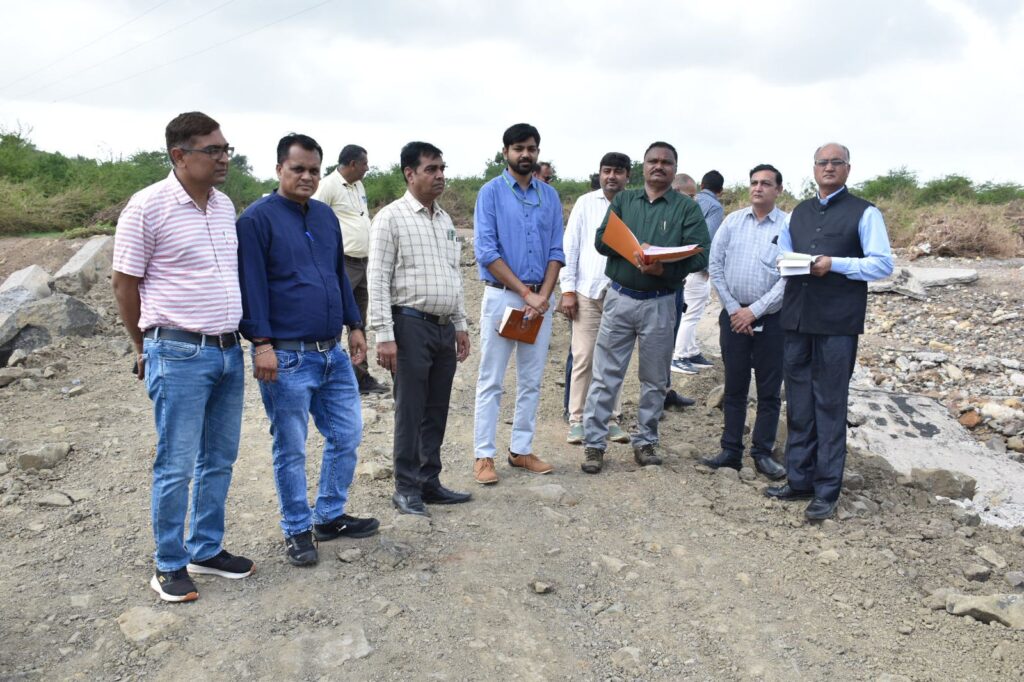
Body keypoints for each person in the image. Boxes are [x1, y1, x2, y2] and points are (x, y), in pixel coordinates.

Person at [112, 111, 253, 602]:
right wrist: (143, 346)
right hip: (177, 351)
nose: (224, 158)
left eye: (226, 149)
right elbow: (124, 284)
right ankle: (169, 563)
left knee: (220, 458)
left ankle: (205, 549)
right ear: (179, 155)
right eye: (213, 150)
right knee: (176, 463)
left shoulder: (223, 206)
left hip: (227, 351)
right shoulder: (147, 206)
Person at [237, 133, 379, 567]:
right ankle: (297, 528)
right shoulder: (256, 220)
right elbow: (251, 286)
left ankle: (329, 515)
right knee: (291, 447)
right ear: (279, 168)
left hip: (331, 352)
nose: (307, 177)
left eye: (314, 170)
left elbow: (338, 275)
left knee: (347, 434)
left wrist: (355, 325)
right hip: (286, 356)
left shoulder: (324, 216)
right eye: (297, 169)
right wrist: (261, 343)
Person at [765, 143, 893, 520]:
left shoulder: (865, 212)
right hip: (797, 319)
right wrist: (788, 263)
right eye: (823, 162)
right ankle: (799, 479)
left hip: (838, 323)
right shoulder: (798, 213)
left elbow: (881, 265)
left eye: (837, 162)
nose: (829, 167)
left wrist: (834, 264)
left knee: (830, 405)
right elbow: (782, 256)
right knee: (799, 403)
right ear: (814, 169)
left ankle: (826, 490)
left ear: (848, 169)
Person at [581, 142, 710, 473]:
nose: (659, 166)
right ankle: (594, 444)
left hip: (661, 302)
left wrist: (662, 266)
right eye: (653, 160)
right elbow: (601, 240)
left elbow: (700, 255)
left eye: (666, 162)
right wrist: (634, 251)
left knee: (654, 378)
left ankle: (646, 440)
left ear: (674, 168)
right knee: (605, 375)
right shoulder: (624, 200)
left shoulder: (686, 208)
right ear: (643, 166)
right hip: (620, 298)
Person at [368, 141, 472, 516]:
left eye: (442, 168)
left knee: (436, 408)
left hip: (443, 328)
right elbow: (377, 279)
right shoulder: (390, 218)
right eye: (431, 169)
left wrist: (460, 324)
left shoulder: (444, 220)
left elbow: (453, 276)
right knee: (410, 409)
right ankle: (406, 487)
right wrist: (384, 335)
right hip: (409, 325)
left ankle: (429, 481)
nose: (440, 175)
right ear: (409, 174)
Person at [472, 123, 564, 484]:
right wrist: (527, 294)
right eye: (518, 148)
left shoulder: (549, 196)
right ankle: (484, 455)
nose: (526, 154)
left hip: (540, 300)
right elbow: (487, 251)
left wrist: (542, 297)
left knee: (531, 380)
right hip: (503, 296)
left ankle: (521, 449)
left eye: (531, 148)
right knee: (491, 379)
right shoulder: (490, 193)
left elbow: (556, 251)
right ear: (505, 152)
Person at [700, 164, 788, 481]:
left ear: (778, 189)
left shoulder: (789, 227)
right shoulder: (732, 221)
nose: (758, 188)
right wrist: (735, 309)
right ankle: (731, 452)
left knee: (768, 392)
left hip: (773, 320)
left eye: (765, 183)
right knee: (735, 388)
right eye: (754, 182)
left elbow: (789, 277)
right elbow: (715, 265)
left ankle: (762, 453)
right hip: (733, 317)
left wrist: (755, 311)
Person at [557, 152, 632, 446]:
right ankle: (577, 419)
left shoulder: (635, 205)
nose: (611, 176)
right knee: (584, 357)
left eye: (618, 171)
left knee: (613, 360)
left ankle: (610, 419)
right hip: (586, 293)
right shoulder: (585, 203)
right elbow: (571, 247)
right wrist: (567, 290)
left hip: (621, 293)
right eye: (606, 170)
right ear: (600, 174)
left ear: (627, 176)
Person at [312, 144, 387, 395]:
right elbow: (313, 219)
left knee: (358, 321)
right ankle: (327, 374)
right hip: (342, 262)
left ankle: (360, 377)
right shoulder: (328, 185)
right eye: (365, 163)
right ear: (353, 164)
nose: (367, 168)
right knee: (333, 317)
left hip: (363, 262)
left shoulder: (358, 186)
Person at [671, 170, 725, 374]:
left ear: (702, 185)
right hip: (696, 268)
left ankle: (690, 350)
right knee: (691, 313)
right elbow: (706, 239)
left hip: (680, 265)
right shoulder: (714, 207)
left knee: (687, 310)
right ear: (721, 190)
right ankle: (679, 356)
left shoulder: (679, 203)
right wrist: (705, 267)